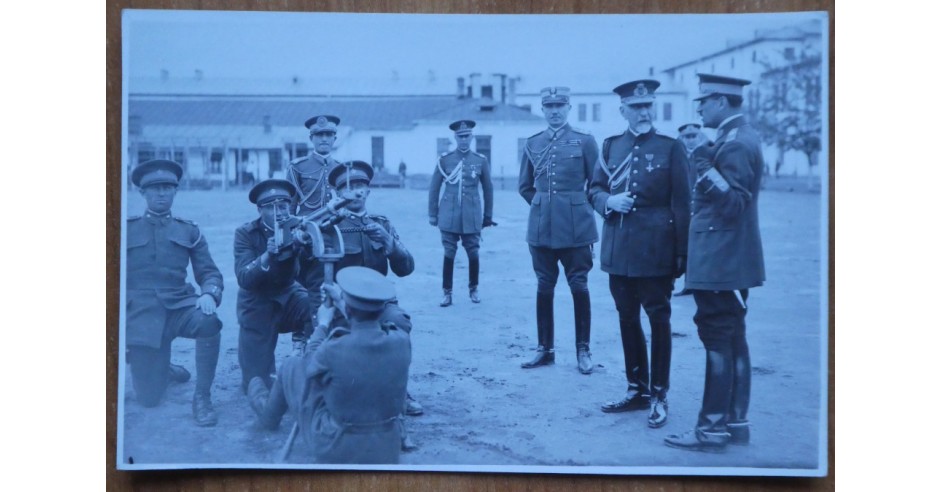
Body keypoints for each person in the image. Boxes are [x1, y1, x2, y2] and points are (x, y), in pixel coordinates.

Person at [664, 74, 766, 453]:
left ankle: (710, 430)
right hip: (728, 257)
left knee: (718, 339)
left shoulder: (734, 143)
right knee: (733, 336)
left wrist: (703, 163)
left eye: (703, 102)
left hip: (720, 258)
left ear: (721, 102)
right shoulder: (738, 137)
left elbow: (735, 201)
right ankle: (736, 423)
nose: (699, 108)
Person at [588, 79, 691, 428]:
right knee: (626, 319)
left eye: (648, 106)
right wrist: (608, 202)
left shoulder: (671, 148)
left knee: (658, 322)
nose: (643, 112)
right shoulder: (610, 146)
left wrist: (682, 255)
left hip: (656, 251)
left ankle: (660, 394)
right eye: (636, 107)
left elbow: (683, 204)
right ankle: (637, 389)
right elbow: (595, 189)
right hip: (618, 249)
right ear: (623, 111)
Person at [247, 266, 411, 464]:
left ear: (348, 310)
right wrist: (344, 303)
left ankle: (268, 417)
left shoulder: (334, 348)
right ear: (383, 308)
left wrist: (323, 324)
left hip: (337, 445)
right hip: (386, 446)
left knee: (292, 365)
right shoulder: (401, 340)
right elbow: (367, 325)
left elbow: (309, 366)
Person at [125, 159, 223, 427]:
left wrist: (208, 295)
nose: (161, 193)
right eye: (154, 188)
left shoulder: (188, 230)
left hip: (179, 306)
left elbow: (210, 273)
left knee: (209, 321)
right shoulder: (124, 229)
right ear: (142, 193)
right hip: (141, 314)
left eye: (167, 187)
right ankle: (163, 369)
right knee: (148, 399)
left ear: (175, 191)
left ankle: (202, 397)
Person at [328, 160, 423, 420]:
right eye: (350, 187)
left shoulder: (382, 223)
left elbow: (406, 268)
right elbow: (313, 275)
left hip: (380, 304)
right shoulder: (329, 227)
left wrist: (390, 243)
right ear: (338, 193)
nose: (356, 192)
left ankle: (399, 391)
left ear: (368, 192)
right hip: (341, 303)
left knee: (399, 323)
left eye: (361, 186)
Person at [518, 87, 599, 375]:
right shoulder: (533, 143)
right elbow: (525, 186)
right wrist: (544, 207)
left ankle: (583, 349)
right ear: (542, 109)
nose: (554, 111)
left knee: (579, 285)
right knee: (544, 285)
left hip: (577, 228)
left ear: (568, 107)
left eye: (559, 105)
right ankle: (545, 349)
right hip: (541, 228)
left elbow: (598, 184)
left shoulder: (585, 141)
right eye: (549, 106)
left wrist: (573, 208)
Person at [233, 179, 316, 393]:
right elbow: (244, 277)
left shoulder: (299, 226)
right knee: (256, 382)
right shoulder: (245, 233)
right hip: (256, 301)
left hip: (288, 294)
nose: (278, 212)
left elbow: (313, 270)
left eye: (283, 206)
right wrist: (267, 256)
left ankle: (303, 355)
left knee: (315, 307)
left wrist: (307, 246)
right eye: (270, 207)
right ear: (260, 210)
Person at [428, 119, 496, 307]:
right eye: (460, 137)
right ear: (455, 137)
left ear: (472, 137)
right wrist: (433, 214)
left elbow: (488, 189)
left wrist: (488, 216)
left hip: (472, 214)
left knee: (473, 252)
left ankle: (473, 288)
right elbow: (434, 188)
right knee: (449, 252)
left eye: (467, 136)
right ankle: (447, 292)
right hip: (448, 214)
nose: (464, 140)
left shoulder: (480, 160)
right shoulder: (445, 160)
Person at [673, 122, 707, 297]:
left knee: (699, 247)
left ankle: (698, 283)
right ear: (681, 138)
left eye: (694, 136)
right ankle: (687, 283)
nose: (691, 140)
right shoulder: (677, 154)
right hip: (682, 207)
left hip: (700, 207)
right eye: (688, 137)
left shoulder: (708, 153)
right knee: (682, 245)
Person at [287, 115, 343, 217]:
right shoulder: (297, 167)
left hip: (336, 224)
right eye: (319, 135)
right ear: (311, 138)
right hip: (307, 226)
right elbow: (290, 207)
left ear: (334, 139)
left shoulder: (341, 168)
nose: (324, 139)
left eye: (329, 135)